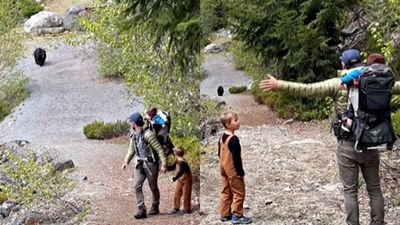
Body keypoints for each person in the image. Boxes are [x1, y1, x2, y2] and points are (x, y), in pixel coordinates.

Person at [258, 49, 394, 225]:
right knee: (374, 189)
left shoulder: (338, 84)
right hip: (372, 142)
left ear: (343, 64)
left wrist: (279, 84)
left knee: (350, 191)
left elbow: (308, 89)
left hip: (348, 145)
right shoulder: (381, 81)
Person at [122, 112, 168, 219]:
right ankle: (141, 209)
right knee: (136, 186)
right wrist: (126, 161)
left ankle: (155, 206)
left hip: (151, 164)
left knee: (153, 187)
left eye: (131, 123)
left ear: (134, 124)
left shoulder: (148, 135)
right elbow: (132, 149)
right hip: (139, 164)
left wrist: (164, 165)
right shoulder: (134, 135)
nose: (130, 125)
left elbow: (159, 150)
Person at [218, 111, 252, 224]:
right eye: (236, 120)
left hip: (223, 168)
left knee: (226, 191)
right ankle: (237, 215)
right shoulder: (234, 139)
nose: (239, 122)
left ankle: (225, 214)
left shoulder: (221, 137)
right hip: (232, 170)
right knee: (239, 192)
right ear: (228, 124)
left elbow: (219, 153)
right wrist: (240, 172)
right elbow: (236, 158)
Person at [168, 146, 193, 214]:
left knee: (186, 194)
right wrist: (166, 168)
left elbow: (181, 172)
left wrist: (174, 178)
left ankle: (186, 209)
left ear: (176, 154)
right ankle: (176, 207)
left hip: (187, 180)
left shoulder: (182, 162)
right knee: (177, 193)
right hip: (180, 179)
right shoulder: (177, 160)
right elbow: (173, 167)